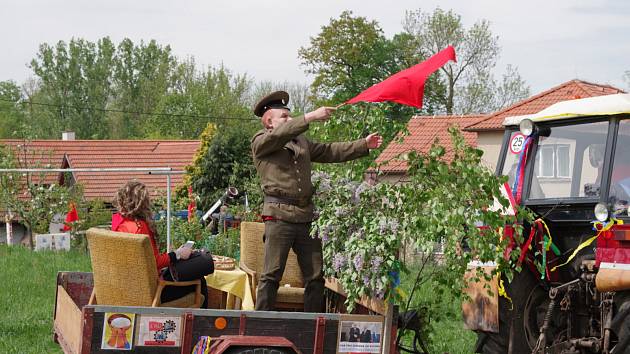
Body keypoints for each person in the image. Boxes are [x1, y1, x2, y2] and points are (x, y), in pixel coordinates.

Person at [251, 91, 383, 312]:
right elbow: (277, 137)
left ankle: (313, 326)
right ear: (269, 121)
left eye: (289, 115)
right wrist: (311, 116)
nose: (289, 119)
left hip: (304, 216)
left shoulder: (300, 142)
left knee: (315, 276)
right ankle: (260, 324)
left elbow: (328, 150)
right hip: (278, 215)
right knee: (271, 275)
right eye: (284, 117)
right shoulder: (261, 141)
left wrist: (363, 145)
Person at [111, 180, 209, 308]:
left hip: (126, 288)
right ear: (142, 203)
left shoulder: (118, 225)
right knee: (200, 280)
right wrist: (178, 255)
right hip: (153, 291)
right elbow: (154, 263)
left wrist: (174, 255)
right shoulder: (140, 228)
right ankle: (201, 325)